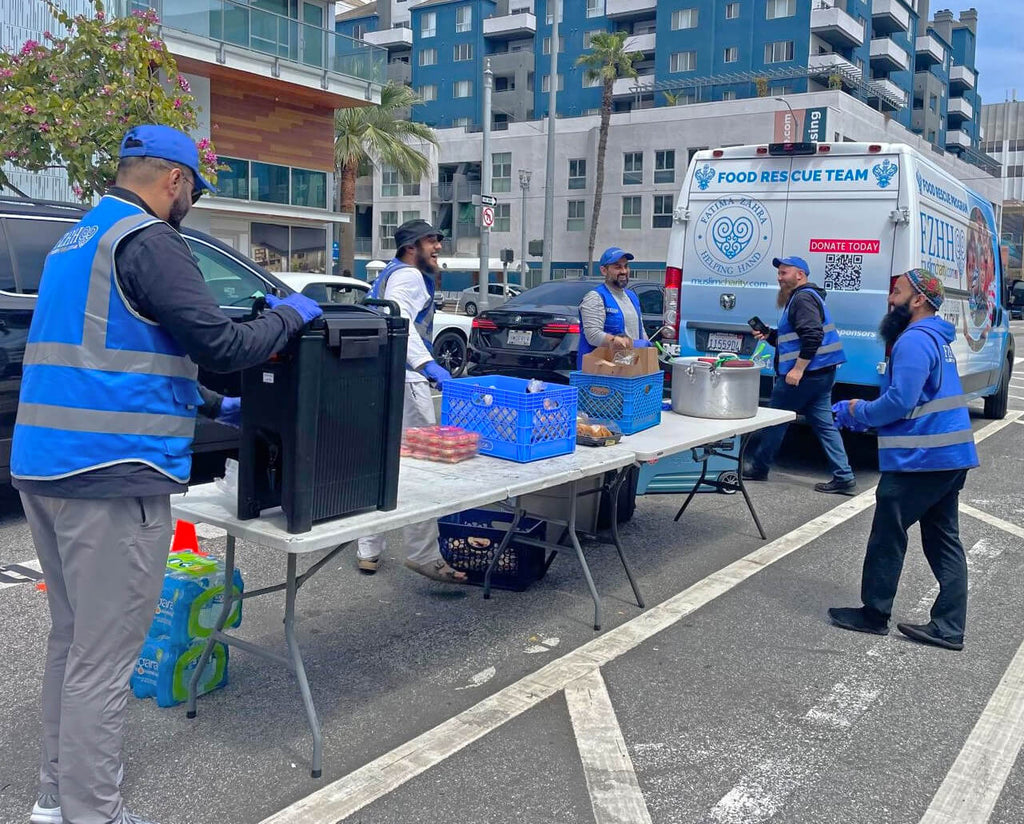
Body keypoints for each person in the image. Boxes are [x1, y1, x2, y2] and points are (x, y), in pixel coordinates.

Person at [12, 124, 322, 824]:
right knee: (102, 658)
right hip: (113, 475)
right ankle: (94, 812)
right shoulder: (149, 240)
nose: (190, 204)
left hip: (44, 467)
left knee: (73, 642)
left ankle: (55, 799)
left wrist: (213, 401)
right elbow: (220, 340)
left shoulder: (78, 238)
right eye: (195, 191)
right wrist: (290, 315)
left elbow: (121, 350)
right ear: (174, 180)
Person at [829, 269, 978, 651]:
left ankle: (874, 614)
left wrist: (855, 410)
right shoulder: (937, 339)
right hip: (949, 455)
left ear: (918, 300)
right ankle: (948, 627)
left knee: (887, 534)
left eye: (897, 292)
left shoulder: (913, 341)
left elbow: (900, 401)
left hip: (923, 458)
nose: (890, 299)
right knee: (944, 539)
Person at [356, 219, 468, 584]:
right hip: (407, 381)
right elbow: (401, 320)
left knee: (380, 463)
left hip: (382, 378)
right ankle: (424, 554)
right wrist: (428, 364)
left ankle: (368, 549)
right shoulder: (410, 276)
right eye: (431, 242)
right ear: (410, 247)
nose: (437, 248)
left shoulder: (388, 274)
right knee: (421, 468)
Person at [743, 255, 856, 495]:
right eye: (779, 273)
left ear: (800, 275)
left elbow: (812, 335)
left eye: (784, 273)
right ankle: (844, 476)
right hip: (822, 373)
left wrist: (798, 369)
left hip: (806, 375)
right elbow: (796, 337)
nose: (779, 277)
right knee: (825, 424)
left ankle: (759, 467)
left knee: (776, 419)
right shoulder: (806, 297)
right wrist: (770, 335)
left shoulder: (802, 299)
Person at [578, 246, 652, 368]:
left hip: (630, 367)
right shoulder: (596, 297)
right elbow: (593, 335)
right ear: (604, 270)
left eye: (626, 266)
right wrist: (622, 342)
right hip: (602, 371)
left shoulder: (631, 296)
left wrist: (646, 346)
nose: (623, 271)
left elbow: (640, 330)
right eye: (617, 267)